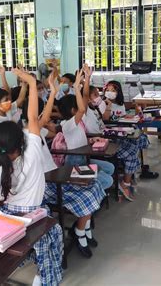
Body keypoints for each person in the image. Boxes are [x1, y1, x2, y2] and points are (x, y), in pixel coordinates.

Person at [0, 68, 63, 286]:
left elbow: (0, 199)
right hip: (32, 217)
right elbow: (33, 117)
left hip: (6, 216)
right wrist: (32, 83)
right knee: (55, 234)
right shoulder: (31, 156)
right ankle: (43, 276)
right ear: (21, 141)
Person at [24, 73, 105, 258]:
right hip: (51, 182)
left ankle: (82, 229)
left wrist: (53, 91)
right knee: (89, 193)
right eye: (36, 118)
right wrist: (33, 86)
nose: (42, 119)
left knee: (95, 182)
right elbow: (43, 119)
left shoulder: (39, 133)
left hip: (60, 173)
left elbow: (45, 120)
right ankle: (80, 232)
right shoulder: (26, 138)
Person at [58, 68, 115, 190]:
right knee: (108, 180)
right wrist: (77, 88)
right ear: (73, 110)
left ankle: (89, 184)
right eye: (77, 106)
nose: (81, 107)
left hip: (83, 157)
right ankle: (83, 188)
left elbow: (85, 96)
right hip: (74, 162)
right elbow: (82, 108)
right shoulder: (67, 124)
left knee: (110, 168)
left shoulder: (77, 121)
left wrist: (87, 78)